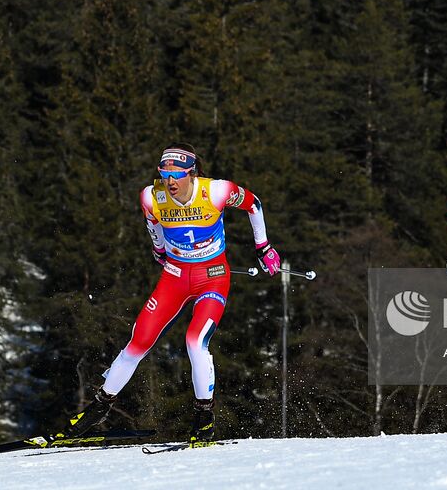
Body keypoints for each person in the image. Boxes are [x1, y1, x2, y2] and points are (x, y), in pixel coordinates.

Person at [61, 144, 282, 446]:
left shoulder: (216, 192)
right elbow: (153, 224)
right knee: (138, 341)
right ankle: (98, 407)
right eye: (165, 174)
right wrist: (160, 250)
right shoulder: (151, 197)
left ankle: (204, 419)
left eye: (177, 175)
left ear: (191, 173)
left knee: (194, 341)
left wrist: (263, 247)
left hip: (212, 277)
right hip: (175, 277)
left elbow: (254, 204)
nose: (170, 181)